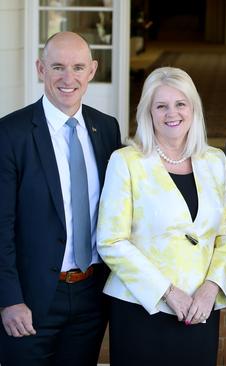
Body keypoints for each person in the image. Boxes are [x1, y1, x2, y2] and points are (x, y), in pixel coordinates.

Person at [96, 67, 226, 366]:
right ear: (148, 111)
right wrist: (168, 292)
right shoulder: (126, 161)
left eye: (180, 104)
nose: (171, 113)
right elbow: (111, 240)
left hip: (200, 308)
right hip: (141, 307)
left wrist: (211, 289)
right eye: (161, 105)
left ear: (193, 108)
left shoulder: (215, 160)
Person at [0, 31, 122, 365]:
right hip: (30, 299)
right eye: (57, 67)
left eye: (78, 67)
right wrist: (9, 300)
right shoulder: (11, 134)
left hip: (91, 295)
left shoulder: (106, 128)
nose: (68, 78)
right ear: (40, 69)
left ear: (92, 70)